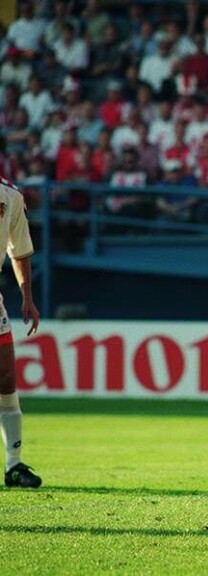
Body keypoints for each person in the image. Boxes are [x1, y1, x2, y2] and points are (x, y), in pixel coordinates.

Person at [0, 174, 42, 488]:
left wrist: (27, 296)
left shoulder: (10, 195)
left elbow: (20, 248)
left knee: (6, 379)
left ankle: (14, 465)